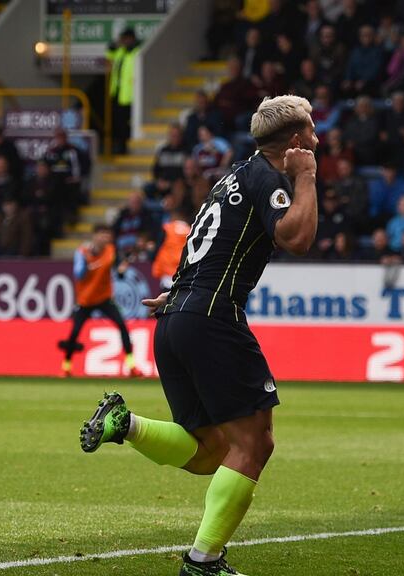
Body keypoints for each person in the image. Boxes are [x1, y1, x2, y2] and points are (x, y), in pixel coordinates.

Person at [79, 95, 319, 576]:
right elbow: (297, 237)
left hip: (177, 315)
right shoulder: (271, 179)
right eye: (311, 132)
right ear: (294, 141)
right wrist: (307, 175)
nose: (317, 139)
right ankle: (202, 561)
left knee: (210, 450)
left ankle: (125, 425)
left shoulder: (233, 176)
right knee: (255, 444)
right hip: (212, 315)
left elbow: (203, 244)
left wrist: (180, 297)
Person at [58, 224, 138, 378]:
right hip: (85, 300)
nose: (105, 238)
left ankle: (132, 366)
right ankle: (66, 367)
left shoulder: (111, 251)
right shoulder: (83, 252)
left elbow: (119, 270)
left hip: (104, 298)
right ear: (94, 236)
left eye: (107, 235)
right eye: (102, 235)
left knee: (122, 325)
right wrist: (87, 263)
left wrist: (121, 270)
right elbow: (79, 274)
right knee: (75, 332)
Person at [106, 29, 138, 155]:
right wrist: (115, 44)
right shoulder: (121, 52)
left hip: (129, 95)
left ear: (132, 39)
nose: (124, 42)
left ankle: (127, 147)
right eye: (123, 39)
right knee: (118, 123)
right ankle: (120, 146)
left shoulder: (136, 53)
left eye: (126, 39)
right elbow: (109, 53)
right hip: (117, 93)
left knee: (127, 124)